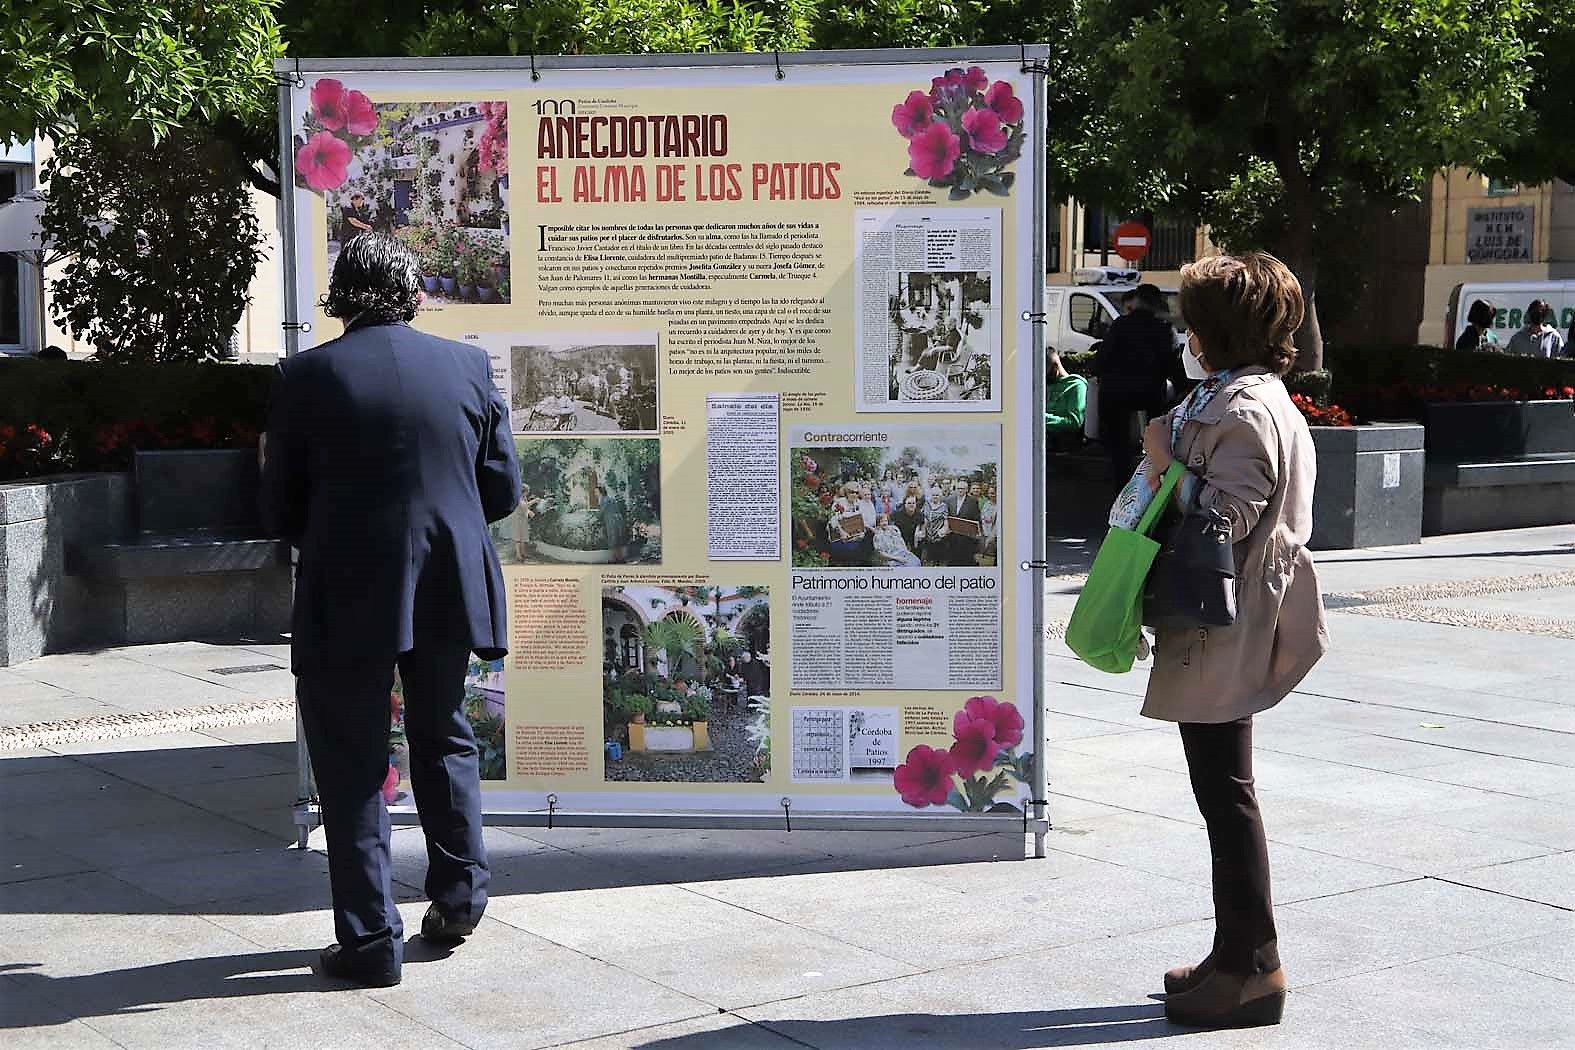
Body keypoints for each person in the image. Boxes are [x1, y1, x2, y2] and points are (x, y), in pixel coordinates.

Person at [261, 232, 520, 988]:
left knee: (350, 760)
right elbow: (499, 491)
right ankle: (459, 900)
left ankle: (372, 939)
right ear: (412, 294)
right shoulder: (467, 365)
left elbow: (280, 508)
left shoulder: (305, 374)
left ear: (341, 296)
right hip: (447, 583)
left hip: (347, 587)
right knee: (444, 735)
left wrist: (345, 534)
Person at [1135, 252, 1327, 1029]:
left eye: (1192, 318)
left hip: (1224, 617)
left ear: (1214, 328)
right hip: (1225, 613)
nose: (1185, 331)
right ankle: (1235, 954)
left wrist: (1163, 463)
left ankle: (1253, 969)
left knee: (1226, 797)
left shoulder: (1244, 408)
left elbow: (1227, 515)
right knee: (1223, 794)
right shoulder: (1244, 394)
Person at [1093, 283, 1178, 478]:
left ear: (1137, 301)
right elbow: (1172, 366)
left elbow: (1101, 361)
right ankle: (1153, 479)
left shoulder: (1120, 325)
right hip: (1150, 393)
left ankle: (1121, 488)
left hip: (1114, 393)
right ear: (1157, 304)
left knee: (1118, 448)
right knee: (1157, 435)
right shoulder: (1164, 329)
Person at [1044, 346, 1088, 437]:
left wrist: (1041, 418)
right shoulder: (1046, 386)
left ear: (1055, 368)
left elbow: (1074, 422)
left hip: (1063, 445)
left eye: (1045, 372)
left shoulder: (1076, 386)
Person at [599, 478, 629, 564]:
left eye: (596, 492)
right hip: (617, 520)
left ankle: (617, 559)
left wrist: (596, 518)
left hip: (612, 521)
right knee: (616, 540)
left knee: (613, 540)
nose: (595, 493)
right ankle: (617, 558)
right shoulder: (610, 498)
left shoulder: (604, 499)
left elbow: (602, 512)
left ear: (601, 492)